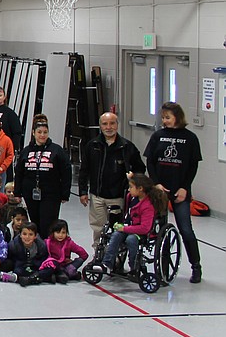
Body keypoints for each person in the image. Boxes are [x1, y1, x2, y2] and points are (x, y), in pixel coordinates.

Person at [143, 102, 203, 283]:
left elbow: (193, 166)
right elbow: (151, 162)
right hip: (160, 191)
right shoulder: (157, 136)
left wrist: (185, 187)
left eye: (168, 117)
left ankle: (196, 266)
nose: (165, 121)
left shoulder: (190, 138)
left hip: (180, 191)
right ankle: (163, 265)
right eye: (163, 118)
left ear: (178, 117)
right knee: (160, 230)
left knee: (186, 230)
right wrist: (156, 184)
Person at [78, 112, 146, 248]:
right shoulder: (92, 146)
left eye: (112, 123)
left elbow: (140, 169)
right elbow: (84, 170)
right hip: (97, 195)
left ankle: (115, 256)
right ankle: (98, 253)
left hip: (118, 196)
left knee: (117, 228)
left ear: (117, 125)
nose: (108, 127)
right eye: (105, 124)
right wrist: (83, 191)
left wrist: (132, 178)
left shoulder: (127, 147)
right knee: (98, 227)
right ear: (100, 126)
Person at [92, 175, 167, 277]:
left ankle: (134, 267)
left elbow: (145, 228)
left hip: (140, 233)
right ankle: (107, 264)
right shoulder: (131, 197)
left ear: (140, 189)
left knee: (131, 239)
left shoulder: (148, 206)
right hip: (128, 227)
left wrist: (125, 228)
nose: (129, 189)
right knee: (116, 235)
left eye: (131, 187)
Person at [12, 122, 71, 236]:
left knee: (48, 222)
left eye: (45, 132)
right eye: (39, 132)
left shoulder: (57, 150)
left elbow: (66, 172)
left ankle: (47, 247)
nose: (42, 135)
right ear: (33, 133)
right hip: (30, 192)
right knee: (35, 222)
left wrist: (65, 193)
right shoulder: (26, 151)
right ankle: (36, 247)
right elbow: (19, 172)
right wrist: (17, 192)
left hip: (51, 193)